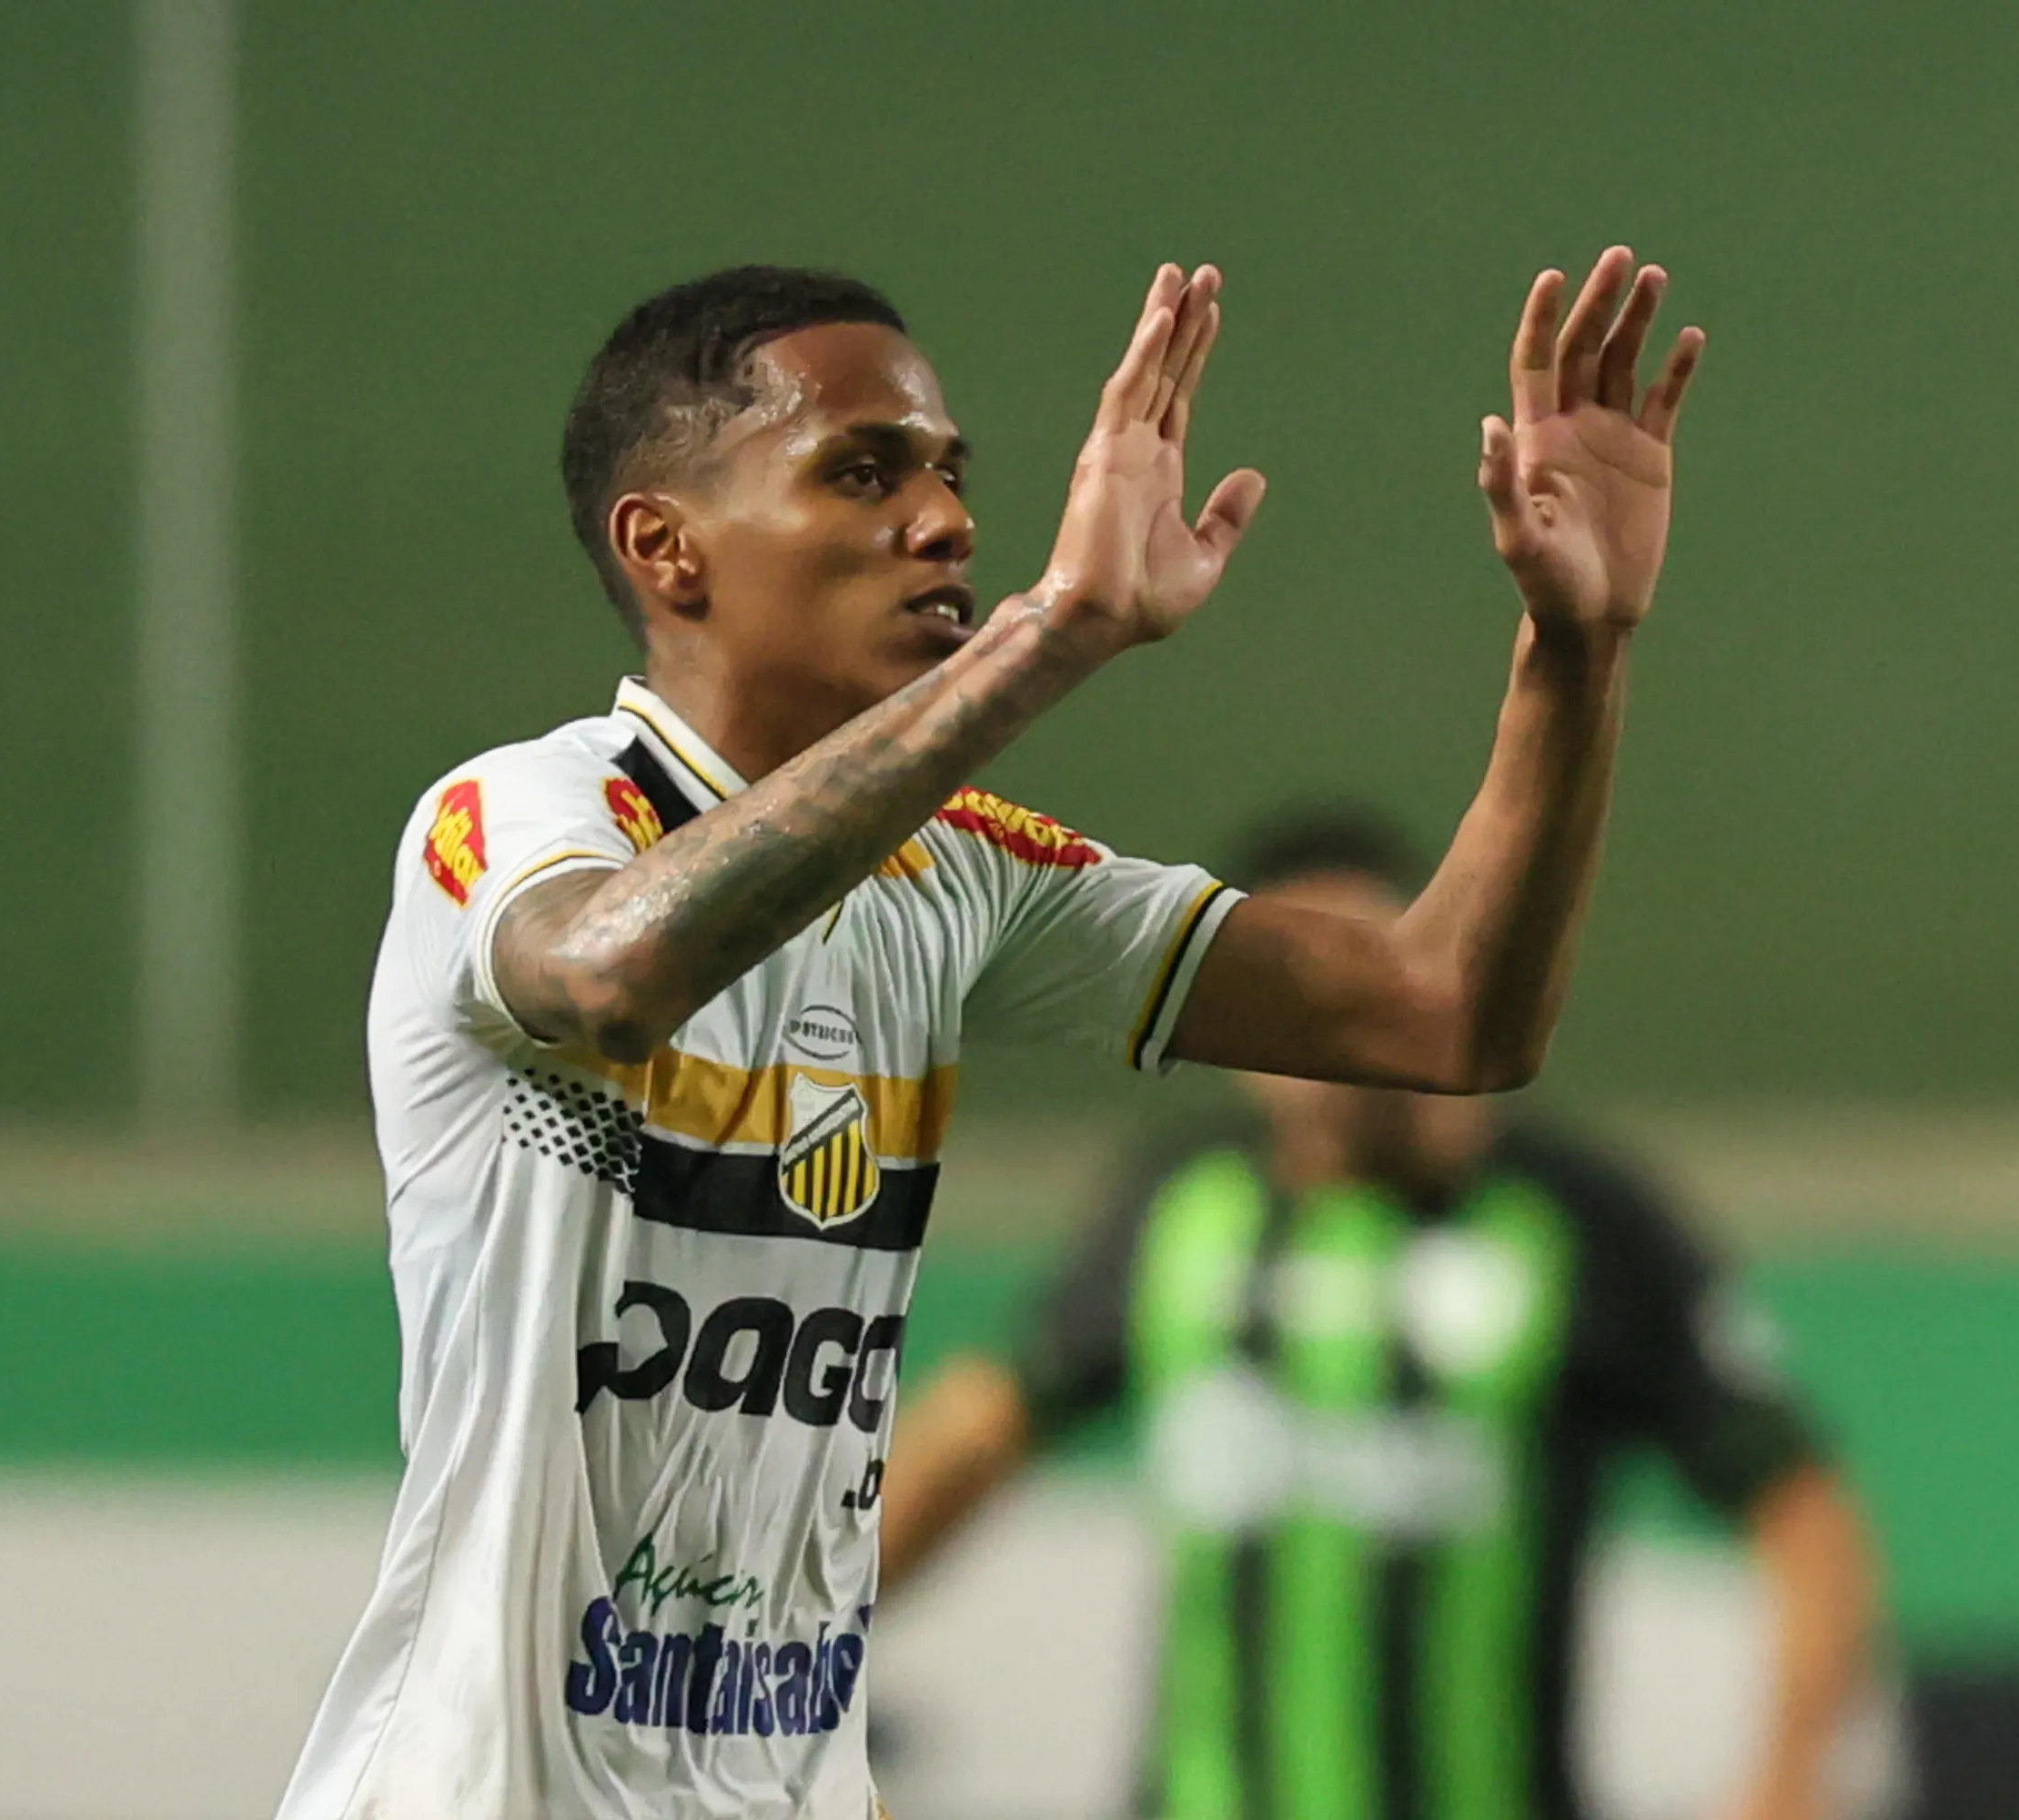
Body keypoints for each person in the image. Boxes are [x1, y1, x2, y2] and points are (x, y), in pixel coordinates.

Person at [277, 246, 1704, 1820]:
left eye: (952, 476)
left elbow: (1449, 1015)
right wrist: (1052, 636)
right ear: (668, 549)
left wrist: (1577, 651)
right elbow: (612, 974)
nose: (946, 521)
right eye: (863, 472)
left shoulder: (956, 877)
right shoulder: (525, 815)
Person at [876, 807, 1880, 1820]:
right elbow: (978, 1429)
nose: (1318, 1034)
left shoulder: (1579, 1216)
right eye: (1285, 991)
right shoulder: (1178, 1204)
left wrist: (1789, 1774)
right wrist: (799, 1641)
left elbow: (1799, 1502)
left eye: (1352, 975)